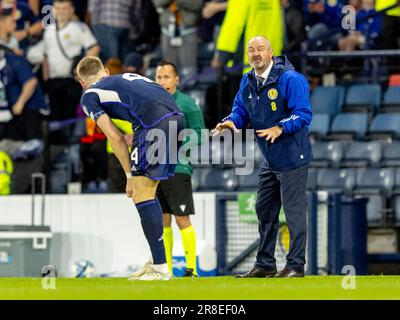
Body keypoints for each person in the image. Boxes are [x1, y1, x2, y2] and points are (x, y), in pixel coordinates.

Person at [76, 56, 185, 281]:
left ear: (81, 82)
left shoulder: (89, 95)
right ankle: (157, 261)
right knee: (148, 191)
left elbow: (115, 137)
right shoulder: (123, 79)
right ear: (105, 71)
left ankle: (161, 268)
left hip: (153, 124)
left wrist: (128, 175)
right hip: (176, 118)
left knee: (140, 192)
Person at [212, 36, 312, 278]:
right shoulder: (247, 81)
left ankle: (296, 266)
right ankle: (265, 264)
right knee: (264, 209)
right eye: (250, 50)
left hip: (292, 157)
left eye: (260, 49)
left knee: (294, 211)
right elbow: (241, 110)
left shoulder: (290, 79)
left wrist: (281, 128)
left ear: (271, 52)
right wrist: (230, 122)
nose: (255, 54)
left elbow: (304, 114)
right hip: (270, 159)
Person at [155, 60, 205, 277]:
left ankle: (191, 268)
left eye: (167, 77)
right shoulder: (153, 103)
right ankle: (166, 270)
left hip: (177, 169)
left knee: (181, 217)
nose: (162, 81)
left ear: (177, 80)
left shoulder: (187, 104)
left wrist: (178, 151)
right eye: (159, 77)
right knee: (163, 218)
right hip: (157, 169)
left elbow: (200, 133)